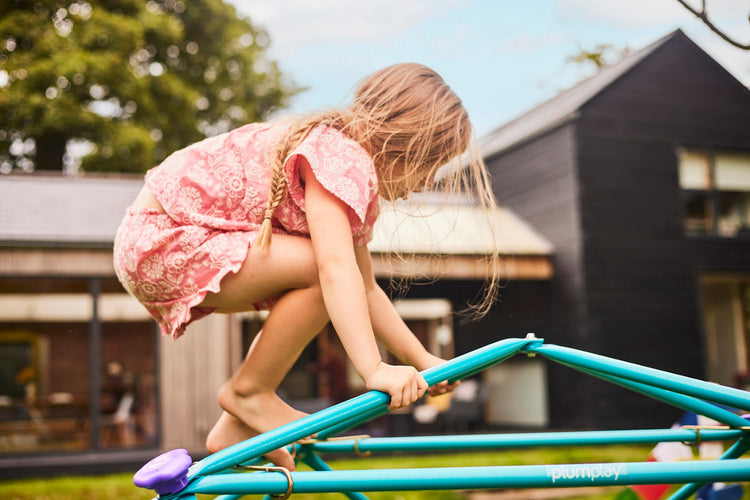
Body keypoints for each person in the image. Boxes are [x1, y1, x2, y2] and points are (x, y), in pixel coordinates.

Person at [113, 62, 498, 470]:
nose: (424, 184)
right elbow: (333, 269)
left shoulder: (344, 167)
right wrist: (374, 369)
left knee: (329, 271)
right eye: (428, 166)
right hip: (161, 242)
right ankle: (249, 392)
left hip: (167, 245)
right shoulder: (341, 157)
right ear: (404, 144)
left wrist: (423, 360)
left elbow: (366, 290)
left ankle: (236, 423)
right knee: (325, 268)